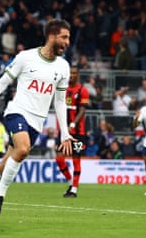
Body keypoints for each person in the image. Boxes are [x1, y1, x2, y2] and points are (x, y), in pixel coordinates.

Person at [0, 18, 74, 217]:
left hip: (36, 123)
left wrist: (65, 133)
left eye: (68, 38)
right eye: (64, 37)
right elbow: (2, 83)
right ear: (52, 36)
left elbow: (60, 102)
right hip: (17, 112)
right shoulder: (25, 57)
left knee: (6, 165)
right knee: (22, 149)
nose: (67, 42)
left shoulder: (63, 67)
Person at [55, 66, 89, 198]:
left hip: (78, 132)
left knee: (76, 159)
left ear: (78, 75)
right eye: (70, 73)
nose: (72, 75)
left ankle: (74, 189)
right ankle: (70, 181)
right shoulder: (62, 89)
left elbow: (82, 110)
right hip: (64, 131)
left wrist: (73, 123)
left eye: (75, 73)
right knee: (59, 158)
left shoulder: (82, 90)